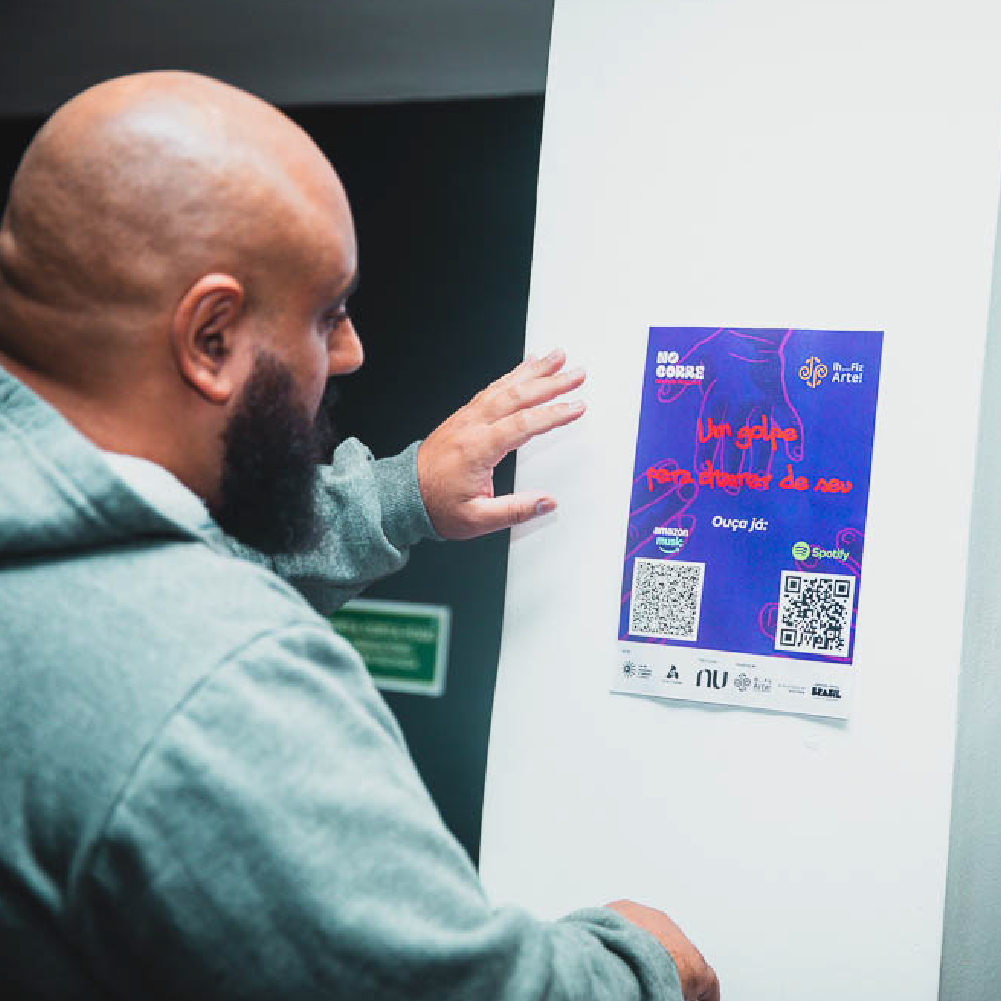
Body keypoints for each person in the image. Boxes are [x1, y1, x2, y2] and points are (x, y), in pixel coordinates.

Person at [0, 71, 719, 1001]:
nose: (348, 353)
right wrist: (640, 962)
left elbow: (142, 553)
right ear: (210, 339)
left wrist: (399, 495)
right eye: (326, 314)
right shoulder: (220, 679)